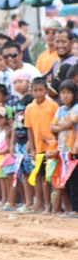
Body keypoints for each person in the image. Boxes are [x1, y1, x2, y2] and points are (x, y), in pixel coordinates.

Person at [24, 77, 58, 214]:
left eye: (41, 90)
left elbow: (56, 125)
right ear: (31, 91)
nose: (38, 93)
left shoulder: (53, 106)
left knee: (49, 177)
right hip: (38, 148)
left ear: (46, 90)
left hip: (51, 147)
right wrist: (32, 148)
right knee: (39, 176)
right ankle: (40, 202)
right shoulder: (29, 108)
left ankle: (50, 205)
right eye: (35, 90)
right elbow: (29, 129)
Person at [8, 70, 35, 214]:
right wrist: (12, 143)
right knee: (23, 173)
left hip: (27, 140)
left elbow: (31, 123)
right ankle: (28, 202)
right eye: (15, 82)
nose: (18, 85)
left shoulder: (31, 100)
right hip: (18, 141)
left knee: (32, 172)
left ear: (28, 82)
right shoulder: (17, 103)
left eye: (21, 81)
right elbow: (13, 123)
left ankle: (37, 201)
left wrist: (31, 141)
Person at [50, 80, 77, 214]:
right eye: (62, 93)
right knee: (66, 180)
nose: (65, 96)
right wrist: (62, 126)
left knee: (74, 180)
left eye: (68, 93)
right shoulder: (60, 109)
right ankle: (69, 208)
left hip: (73, 149)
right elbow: (51, 127)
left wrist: (60, 126)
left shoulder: (76, 108)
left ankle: (75, 209)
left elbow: (70, 123)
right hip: (63, 149)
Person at [49, 29, 77, 94]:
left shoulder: (71, 64)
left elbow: (52, 92)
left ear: (72, 43)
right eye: (57, 42)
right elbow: (42, 79)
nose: (60, 45)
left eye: (64, 42)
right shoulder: (57, 62)